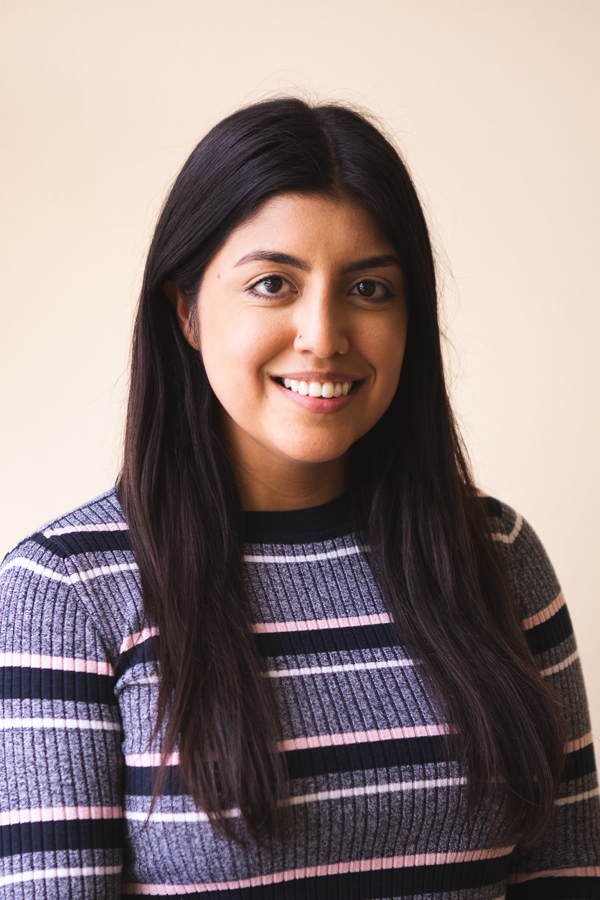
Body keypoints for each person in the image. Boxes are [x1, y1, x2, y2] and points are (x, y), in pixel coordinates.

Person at [1, 98, 598, 900]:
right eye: (274, 283)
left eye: (371, 288)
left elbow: (567, 872)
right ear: (185, 310)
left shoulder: (498, 553)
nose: (324, 333)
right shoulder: (65, 591)